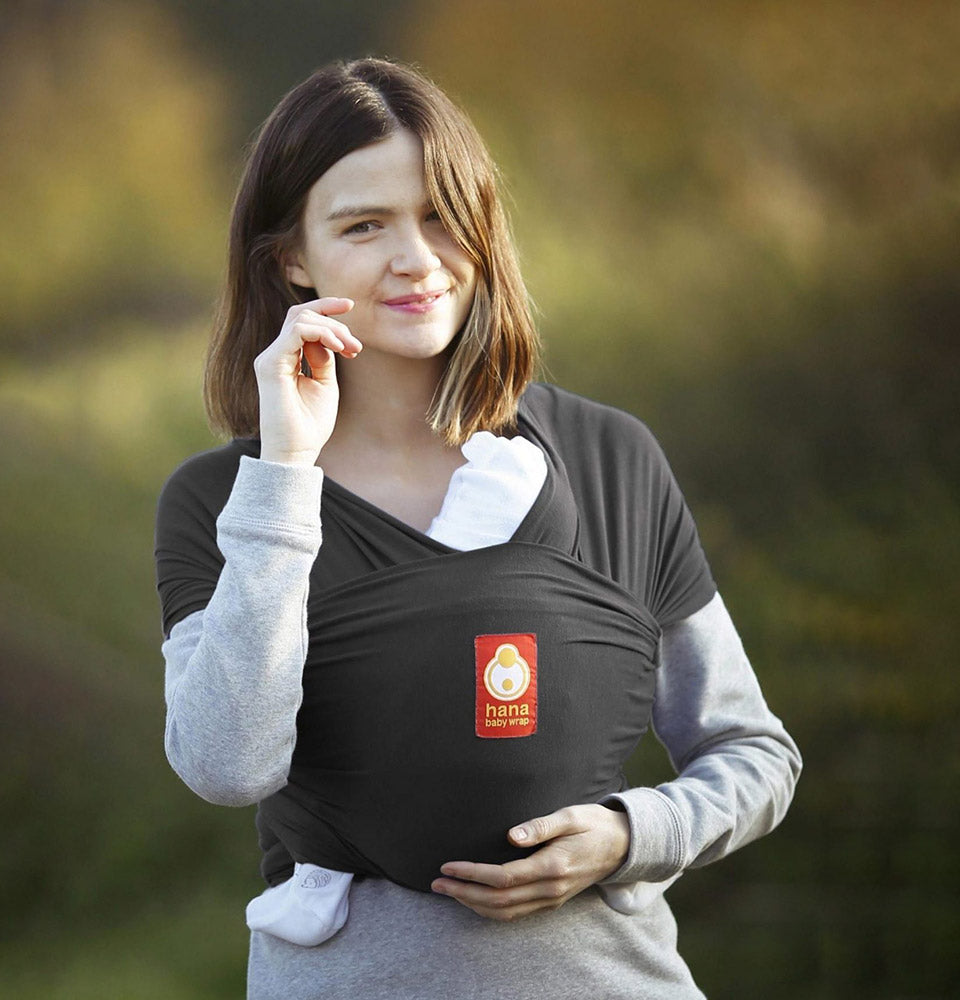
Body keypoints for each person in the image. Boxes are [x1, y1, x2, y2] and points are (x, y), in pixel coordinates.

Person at [155, 58, 801, 999]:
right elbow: (226, 762)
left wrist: (631, 834)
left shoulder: (610, 458)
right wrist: (286, 471)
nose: (416, 258)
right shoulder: (227, 501)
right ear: (293, 258)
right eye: (364, 225)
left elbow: (754, 753)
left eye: (440, 214)